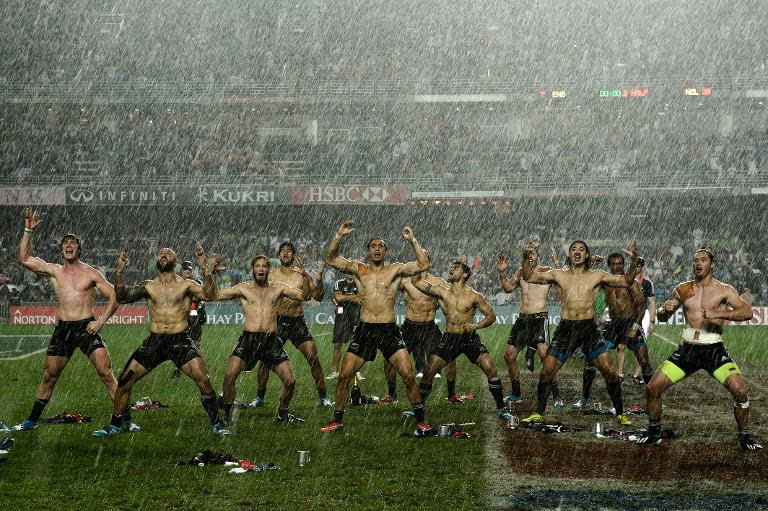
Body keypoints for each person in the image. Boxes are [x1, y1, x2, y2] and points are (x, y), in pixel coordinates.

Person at [91, 246, 229, 437]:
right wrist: (120, 271)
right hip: (155, 342)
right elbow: (122, 297)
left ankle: (217, 423)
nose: (163, 255)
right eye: (161, 253)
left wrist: (205, 269)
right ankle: (115, 424)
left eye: (168, 253)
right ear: (156, 260)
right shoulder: (148, 285)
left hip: (180, 341)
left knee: (204, 380)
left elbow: (211, 295)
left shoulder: (186, 285)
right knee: (124, 382)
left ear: (176, 260)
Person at [12, 208, 126, 432]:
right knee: (49, 376)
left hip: (87, 327)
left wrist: (101, 321)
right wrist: (28, 230)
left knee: (106, 372)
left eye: (73, 242)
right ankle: (32, 421)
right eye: (65, 243)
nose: (69, 245)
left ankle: (124, 421)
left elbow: (115, 297)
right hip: (63, 328)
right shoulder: (54, 271)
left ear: (79, 249)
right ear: (61, 249)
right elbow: (24, 258)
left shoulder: (91, 273)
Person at [640, 248, 761, 450]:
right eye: (695, 260)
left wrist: (719, 313)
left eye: (703, 260)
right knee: (653, 388)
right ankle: (654, 433)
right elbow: (662, 316)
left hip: (713, 349)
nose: (698, 263)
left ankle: (744, 438)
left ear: (711, 264)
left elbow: (747, 312)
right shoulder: (684, 288)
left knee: (740, 391)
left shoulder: (724, 290)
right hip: (688, 350)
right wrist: (664, 310)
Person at [319, 221, 430, 433]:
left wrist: (412, 240)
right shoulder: (359, 269)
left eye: (381, 246)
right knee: (344, 376)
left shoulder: (395, 270)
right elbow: (330, 258)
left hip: (388, 329)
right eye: (373, 246)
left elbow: (423, 264)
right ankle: (337, 421)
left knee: (408, 375)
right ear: (368, 251)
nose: (377, 249)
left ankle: (422, 421)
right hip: (365, 329)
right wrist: (338, 235)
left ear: (386, 251)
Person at [520, 240, 638, 426]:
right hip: (566, 328)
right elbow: (528, 275)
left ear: (587, 255)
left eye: (581, 249)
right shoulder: (558, 274)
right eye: (573, 249)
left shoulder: (597, 275)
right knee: (547, 372)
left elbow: (626, 281)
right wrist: (527, 257)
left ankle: (621, 413)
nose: (577, 252)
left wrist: (633, 262)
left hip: (589, 328)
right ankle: (538, 413)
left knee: (609, 372)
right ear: (569, 255)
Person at [215, 255, 311, 425]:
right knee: (229, 376)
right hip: (248, 339)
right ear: (252, 270)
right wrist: (211, 274)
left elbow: (304, 296)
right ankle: (228, 417)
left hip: (271, 341)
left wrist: (305, 276)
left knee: (290, 380)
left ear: (268, 270)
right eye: (257, 266)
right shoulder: (243, 289)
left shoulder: (278, 288)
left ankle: (283, 415)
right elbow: (214, 294)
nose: (261, 269)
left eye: (264, 266)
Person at [411, 262, 514, 422]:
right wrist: (421, 265)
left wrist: (475, 325)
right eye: (450, 266)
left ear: (465, 274)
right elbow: (416, 282)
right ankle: (418, 407)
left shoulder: (474, 295)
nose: (451, 269)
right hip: (450, 338)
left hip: (469, 338)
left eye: (456, 267)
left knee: (490, 368)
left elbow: (491, 316)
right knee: (428, 372)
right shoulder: (442, 291)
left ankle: (501, 408)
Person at [250, 243, 330, 407]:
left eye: (289, 251)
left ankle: (323, 397)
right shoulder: (271, 275)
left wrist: (318, 280)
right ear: (278, 256)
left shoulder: (300, 275)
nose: (286, 253)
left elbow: (318, 296)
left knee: (313, 357)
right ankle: (259, 398)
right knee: (265, 360)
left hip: (296, 321)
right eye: (283, 251)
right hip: (276, 322)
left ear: (293, 255)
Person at [573, 252, 655, 408]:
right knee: (592, 357)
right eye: (614, 264)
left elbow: (640, 307)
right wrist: (590, 263)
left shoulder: (630, 282)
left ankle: (655, 397)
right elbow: (585, 278)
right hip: (614, 325)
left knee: (644, 361)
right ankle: (584, 398)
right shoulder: (606, 281)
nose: (617, 267)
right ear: (609, 266)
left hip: (631, 323)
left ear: (623, 265)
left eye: (620, 264)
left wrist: (635, 326)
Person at [497, 243, 564, 409]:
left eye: (532, 253)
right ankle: (516, 393)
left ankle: (556, 396)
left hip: (540, 319)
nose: (530, 256)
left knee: (545, 358)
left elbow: (562, 280)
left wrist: (556, 262)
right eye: (527, 254)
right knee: (509, 356)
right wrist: (502, 272)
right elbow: (507, 288)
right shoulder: (520, 272)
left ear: (538, 256)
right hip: (523, 320)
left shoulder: (545, 271)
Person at [381, 267, 459, 404]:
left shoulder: (437, 282)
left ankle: (451, 394)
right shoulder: (405, 280)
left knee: (449, 357)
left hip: (429, 326)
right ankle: (392, 394)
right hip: (409, 327)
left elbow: (455, 293)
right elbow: (385, 287)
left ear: (427, 263)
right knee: (389, 358)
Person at [171, 260, 207, 378]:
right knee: (179, 343)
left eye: (189, 269)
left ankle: (201, 369)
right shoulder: (177, 283)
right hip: (182, 317)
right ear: (181, 270)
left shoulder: (196, 282)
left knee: (195, 343)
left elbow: (200, 298)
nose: (187, 271)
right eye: (185, 269)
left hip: (194, 316)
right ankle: (177, 369)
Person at [327, 272, 362, 380]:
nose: (350, 274)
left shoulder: (359, 283)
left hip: (356, 317)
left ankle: (357, 371)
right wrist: (353, 297)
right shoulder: (339, 283)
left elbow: (361, 299)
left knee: (356, 344)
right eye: (349, 271)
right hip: (341, 318)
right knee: (337, 345)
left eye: (352, 271)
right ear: (345, 272)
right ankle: (334, 371)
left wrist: (344, 297)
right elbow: (338, 298)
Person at [628, 257, 656, 384]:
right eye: (635, 265)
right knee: (621, 347)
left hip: (642, 315)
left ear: (643, 267)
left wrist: (651, 321)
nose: (637, 268)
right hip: (626, 316)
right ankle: (620, 374)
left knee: (641, 347)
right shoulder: (625, 280)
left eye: (639, 266)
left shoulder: (647, 283)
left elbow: (651, 303)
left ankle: (636, 375)